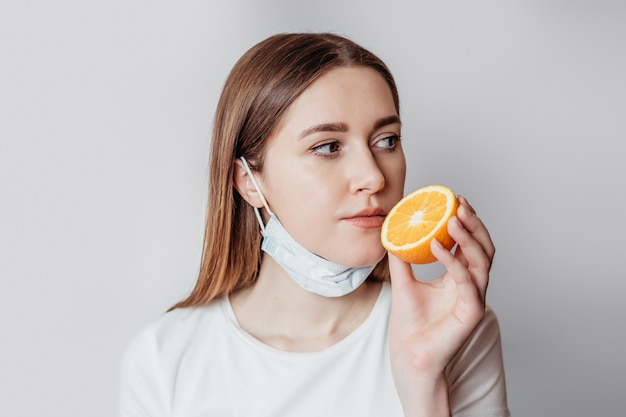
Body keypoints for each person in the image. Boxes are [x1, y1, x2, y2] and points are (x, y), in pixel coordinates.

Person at [119, 32, 510, 417]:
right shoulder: (164, 358)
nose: (373, 177)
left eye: (387, 140)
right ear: (248, 183)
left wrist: (423, 378)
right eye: (327, 146)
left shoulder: (454, 326)